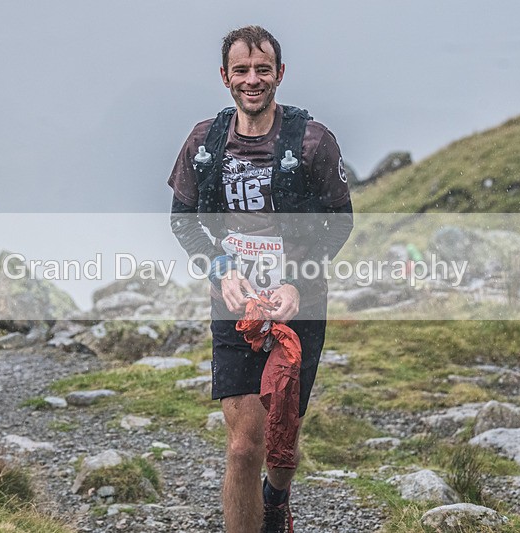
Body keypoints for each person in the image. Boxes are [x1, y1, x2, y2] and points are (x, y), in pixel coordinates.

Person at [168, 26, 353, 533]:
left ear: (279, 75)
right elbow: (182, 219)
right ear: (225, 77)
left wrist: (297, 281)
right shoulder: (204, 142)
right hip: (235, 304)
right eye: (242, 70)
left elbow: (342, 221)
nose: (253, 80)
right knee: (244, 443)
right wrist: (218, 267)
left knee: (281, 433)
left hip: (299, 304)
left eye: (262, 70)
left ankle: (277, 496)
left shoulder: (313, 142)